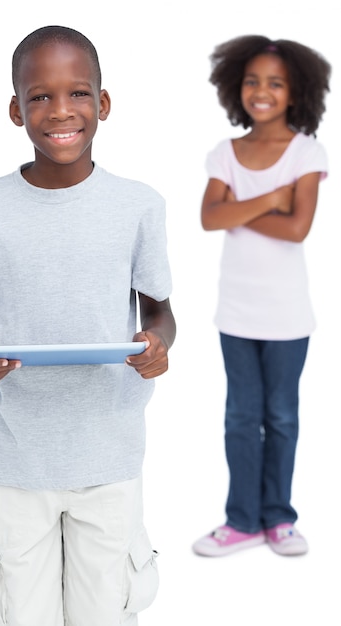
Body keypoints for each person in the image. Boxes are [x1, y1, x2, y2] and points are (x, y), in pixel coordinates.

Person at [0, 25, 176, 625]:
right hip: (17, 455)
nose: (60, 110)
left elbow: (160, 312)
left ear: (104, 103)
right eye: (40, 96)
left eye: (77, 93)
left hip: (109, 449)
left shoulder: (139, 206)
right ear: (16, 110)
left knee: (104, 611)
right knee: (24, 612)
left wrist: (158, 345)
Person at [192, 35, 330, 557]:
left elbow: (298, 228)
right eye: (252, 81)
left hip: (288, 317)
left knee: (283, 417)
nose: (262, 91)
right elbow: (209, 218)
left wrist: (243, 204)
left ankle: (279, 518)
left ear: (295, 91)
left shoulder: (307, 151)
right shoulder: (224, 153)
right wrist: (271, 196)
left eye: (275, 82)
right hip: (236, 312)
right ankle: (242, 520)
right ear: (236, 88)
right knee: (239, 418)